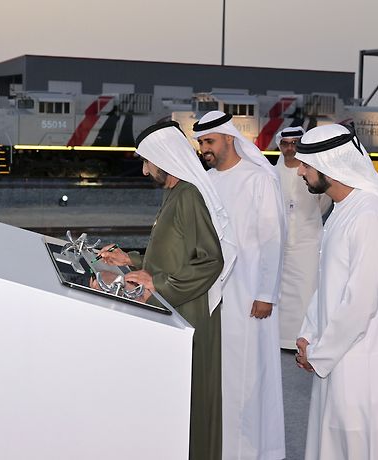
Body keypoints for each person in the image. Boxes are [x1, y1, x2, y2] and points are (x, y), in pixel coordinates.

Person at [96, 120, 236, 460]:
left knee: (191, 399)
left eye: (147, 162)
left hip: (187, 311)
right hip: (173, 305)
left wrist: (157, 284)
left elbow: (209, 261)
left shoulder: (188, 195)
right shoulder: (175, 193)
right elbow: (171, 254)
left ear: (163, 157)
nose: (145, 171)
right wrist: (127, 259)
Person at [294, 124, 378, 460]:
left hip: (363, 360)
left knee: (360, 444)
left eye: (306, 164)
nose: (301, 171)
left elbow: (360, 302)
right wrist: (308, 336)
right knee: (336, 441)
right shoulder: (345, 209)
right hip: (336, 353)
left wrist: (318, 353)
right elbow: (328, 284)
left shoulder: (370, 215)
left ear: (330, 164)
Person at [193, 111, 286, 460]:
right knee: (223, 374)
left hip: (249, 294)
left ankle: (252, 450)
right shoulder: (207, 181)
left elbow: (273, 239)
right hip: (215, 295)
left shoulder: (258, 179)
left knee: (249, 374)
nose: (204, 149)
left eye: (209, 141)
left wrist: (266, 294)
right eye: (201, 142)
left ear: (229, 139)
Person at [274, 126, 332, 350]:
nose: (290, 148)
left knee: (307, 290)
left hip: (308, 243)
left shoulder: (311, 172)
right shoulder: (271, 173)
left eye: (294, 143)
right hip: (279, 244)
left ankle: (304, 338)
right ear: (280, 146)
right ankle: (281, 339)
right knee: (279, 292)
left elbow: (323, 203)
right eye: (285, 143)